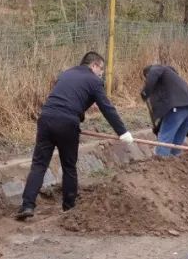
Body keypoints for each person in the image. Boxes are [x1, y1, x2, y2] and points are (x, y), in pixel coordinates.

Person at [15, 52, 134, 221]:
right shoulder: (94, 81)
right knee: (69, 165)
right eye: (101, 69)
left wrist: (77, 116)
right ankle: (69, 207)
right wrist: (123, 132)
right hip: (66, 123)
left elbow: (68, 99)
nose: (102, 73)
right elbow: (107, 108)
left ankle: (27, 205)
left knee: (39, 164)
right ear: (94, 65)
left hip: (46, 117)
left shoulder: (67, 73)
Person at [140, 64, 188, 156]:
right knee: (177, 143)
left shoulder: (156, 68)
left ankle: (161, 165)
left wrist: (145, 92)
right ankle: (174, 164)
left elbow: (172, 113)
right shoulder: (172, 83)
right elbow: (168, 114)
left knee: (164, 140)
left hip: (178, 109)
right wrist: (158, 128)